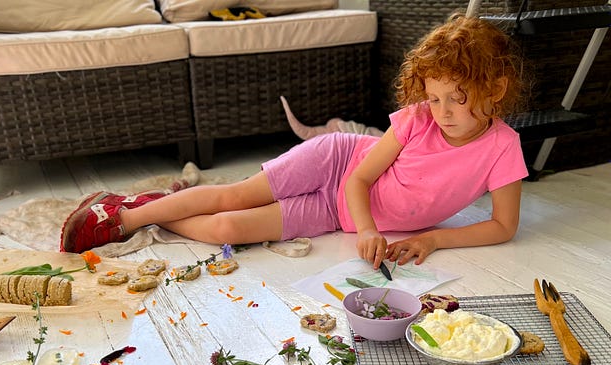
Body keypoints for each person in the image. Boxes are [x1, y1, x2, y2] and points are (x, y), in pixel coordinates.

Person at [60, 13, 527, 270]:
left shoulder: (503, 147)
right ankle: (124, 216)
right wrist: (368, 230)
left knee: (225, 229)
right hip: (335, 165)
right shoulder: (416, 120)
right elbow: (360, 178)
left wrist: (434, 239)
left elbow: (503, 226)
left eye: (456, 99)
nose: (441, 112)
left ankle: (170, 207)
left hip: (332, 215)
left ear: (496, 90)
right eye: (433, 97)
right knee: (234, 195)